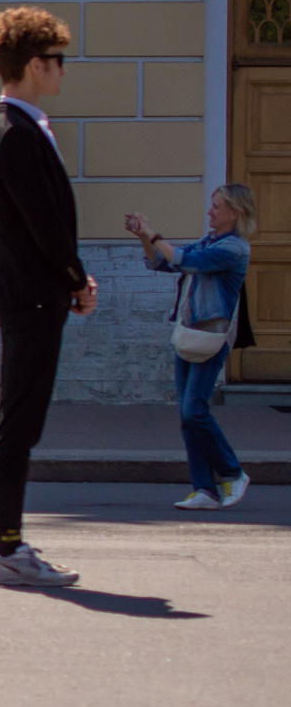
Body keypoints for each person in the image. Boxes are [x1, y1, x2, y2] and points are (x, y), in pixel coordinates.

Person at [0, 6, 95, 587]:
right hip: (33, 296)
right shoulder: (17, 134)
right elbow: (44, 224)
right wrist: (76, 279)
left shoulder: (15, 127)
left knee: (12, 420)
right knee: (22, 424)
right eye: (57, 60)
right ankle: (7, 548)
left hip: (26, 294)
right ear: (31, 65)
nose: (62, 70)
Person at [127, 186, 256, 511]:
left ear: (234, 213)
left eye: (216, 207)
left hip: (212, 337)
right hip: (189, 333)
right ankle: (205, 490)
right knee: (188, 415)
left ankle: (233, 473)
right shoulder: (211, 240)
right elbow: (164, 265)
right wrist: (145, 237)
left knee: (194, 410)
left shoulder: (234, 248)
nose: (209, 212)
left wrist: (155, 234)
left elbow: (188, 261)